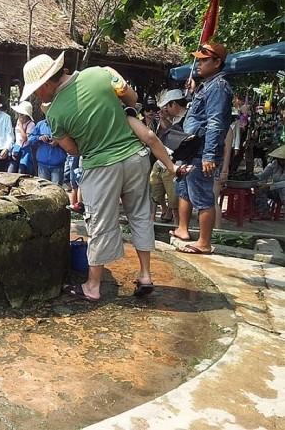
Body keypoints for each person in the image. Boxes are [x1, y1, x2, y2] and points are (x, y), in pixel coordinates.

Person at [19, 52, 188, 301]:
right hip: (134, 158)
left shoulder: (54, 115)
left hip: (100, 167)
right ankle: (145, 275)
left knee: (99, 224)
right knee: (140, 215)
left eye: (35, 91)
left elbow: (73, 149)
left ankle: (93, 286)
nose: (36, 97)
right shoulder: (100, 73)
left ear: (45, 84)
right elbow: (132, 98)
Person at [171, 42, 232, 254]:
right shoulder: (207, 86)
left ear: (217, 63)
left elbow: (215, 122)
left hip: (202, 149)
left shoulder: (219, 87)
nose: (199, 63)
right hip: (191, 147)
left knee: (202, 194)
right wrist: (193, 92)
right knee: (185, 189)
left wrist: (208, 155)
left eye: (204, 60)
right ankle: (183, 229)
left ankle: (204, 242)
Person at [152, 89, 189, 224]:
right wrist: (163, 117)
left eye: (167, 106)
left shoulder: (188, 119)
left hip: (176, 162)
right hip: (164, 161)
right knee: (156, 191)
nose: (166, 109)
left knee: (175, 198)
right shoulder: (175, 119)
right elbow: (168, 131)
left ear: (174, 104)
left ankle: (179, 225)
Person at [27, 104, 67, 184]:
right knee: (43, 191)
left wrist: (58, 141)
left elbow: (70, 139)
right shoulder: (40, 125)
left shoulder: (62, 124)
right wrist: (39, 138)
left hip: (57, 164)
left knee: (56, 192)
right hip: (42, 164)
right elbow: (30, 139)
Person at [253, 144, 285, 219]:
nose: (282, 161)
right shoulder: (274, 164)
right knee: (260, 188)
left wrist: (270, 185)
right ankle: (264, 212)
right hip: (276, 191)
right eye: (280, 159)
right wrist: (251, 177)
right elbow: (262, 176)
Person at [8, 101, 35, 174]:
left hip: (25, 150)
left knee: (21, 170)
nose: (20, 116)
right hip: (16, 148)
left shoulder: (31, 124)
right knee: (10, 170)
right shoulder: (18, 121)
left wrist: (20, 125)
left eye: (22, 114)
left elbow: (24, 138)